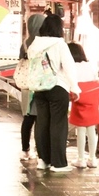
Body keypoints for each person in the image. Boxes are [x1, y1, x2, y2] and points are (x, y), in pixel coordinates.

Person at [26, 14, 79, 172]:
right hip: (57, 87)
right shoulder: (60, 44)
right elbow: (69, 67)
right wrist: (75, 87)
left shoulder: (34, 44)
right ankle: (59, 164)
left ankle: (43, 160)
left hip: (39, 88)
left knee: (42, 123)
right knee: (58, 124)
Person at [68, 42, 99, 168]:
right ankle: (92, 159)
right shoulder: (90, 65)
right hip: (92, 102)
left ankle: (81, 159)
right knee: (91, 130)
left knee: (81, 130)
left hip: (79, 101)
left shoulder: (71, 66)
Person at [18, 13, 47, 162]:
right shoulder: (43, 44)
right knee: (40, 120)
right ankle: (38, 149)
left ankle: (25, 150)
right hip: (40, 84)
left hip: (26, 86)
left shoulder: (25, 43)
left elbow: (20, 60)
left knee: (27, 119)